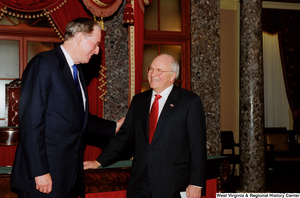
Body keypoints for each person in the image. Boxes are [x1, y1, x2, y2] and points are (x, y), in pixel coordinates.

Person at [10, 18, 124, 198]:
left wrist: (114, 127)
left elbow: (78, 118)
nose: (96, 51)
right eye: (95, 44)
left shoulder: (76, 71)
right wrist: (40, 172)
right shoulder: (44, 64)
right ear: (79, 37)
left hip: (66, 176)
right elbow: (31, 123)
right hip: (43, 178)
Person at [84, 54, 207, 198]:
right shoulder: (139, 101)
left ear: (172, 76)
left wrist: (196, 183)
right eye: (151, 69)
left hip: (172, 184)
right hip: (140, 183)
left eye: (159, 70)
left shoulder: (189, 102)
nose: (153, 74)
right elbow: (123, 136)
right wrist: (99, 161)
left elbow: (197, 147)